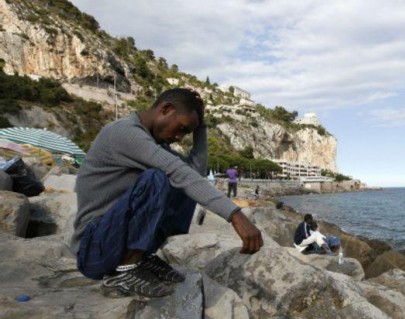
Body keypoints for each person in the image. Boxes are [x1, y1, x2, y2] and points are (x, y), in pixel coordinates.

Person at [70, 88, 263, 299]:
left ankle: (141, 258)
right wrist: (235, 215)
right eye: (181, 128)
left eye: (185, 133)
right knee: (159, 178)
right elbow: (179, 172)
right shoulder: (124, 133)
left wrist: (201, 127)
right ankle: (124, 270)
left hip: (111, 243)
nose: (179, 138)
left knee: (183, 184)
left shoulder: (152, 142)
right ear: (166, 109)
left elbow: (194, 173)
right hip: (93, 251)